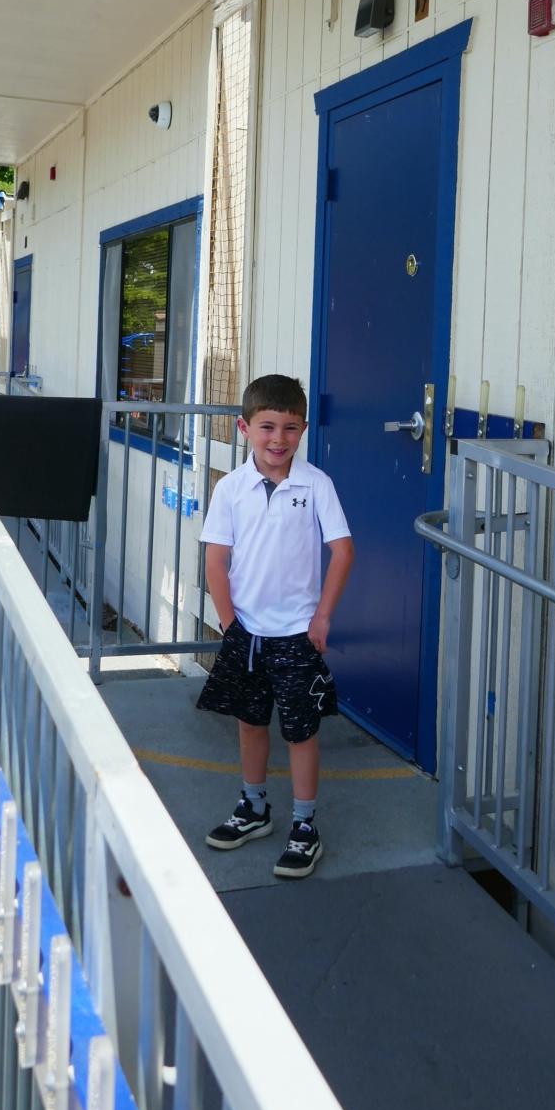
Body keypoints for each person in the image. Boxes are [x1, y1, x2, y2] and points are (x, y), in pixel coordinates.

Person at [196, 374, 354, 878]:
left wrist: (322, 614)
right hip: (246, 633)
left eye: (290, 428)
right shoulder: (231, 490)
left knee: (301, 731)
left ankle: (305, 825)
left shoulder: (318, 485)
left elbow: (342, 551)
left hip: (296, 635)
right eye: (267, 426)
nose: (278, 439)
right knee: (250, 722)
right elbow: (216, 561)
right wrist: (228, 623)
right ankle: (254, 807)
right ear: (244, 427)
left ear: (303, 430)